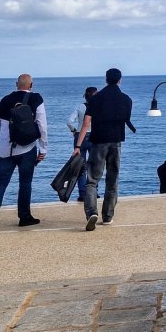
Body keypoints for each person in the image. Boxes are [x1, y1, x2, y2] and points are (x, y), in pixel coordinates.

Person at [0, 74, 48, 233]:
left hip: (6, 149)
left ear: (16, 84)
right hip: (27, 148)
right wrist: (43, 148)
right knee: (25, 183)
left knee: (1, 183)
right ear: (31, 85)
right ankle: (24, 217)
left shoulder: (4, 101)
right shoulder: (36, 99)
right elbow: (42, 125)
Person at [76, 67, 135, 231]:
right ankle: (108, 216)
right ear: (119, 80)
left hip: (98, 141)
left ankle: (91, 213)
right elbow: (126, 119)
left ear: (106, 79)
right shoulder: (126, 99)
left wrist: (78, 145)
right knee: (112, 179)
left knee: (92, 180)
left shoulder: (96, 99)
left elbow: (86, 123)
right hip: (116, 142)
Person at [66, 86, 97, 203]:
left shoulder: (80, 107)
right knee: (94, 166)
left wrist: (73, 130)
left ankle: (82, 194)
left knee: (80, 166)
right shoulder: (97, 107)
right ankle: (94, 192)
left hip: (80, 137)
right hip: (94, 136)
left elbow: (69, 121)